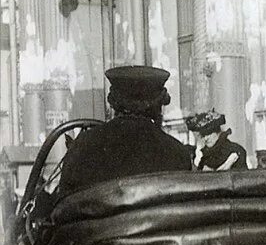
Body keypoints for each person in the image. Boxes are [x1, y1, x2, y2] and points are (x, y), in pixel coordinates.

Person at [57, 65, 193, 196]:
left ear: (113, 103)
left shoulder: (84, 145)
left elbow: (63, 203)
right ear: (158, 106)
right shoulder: (178, 153)